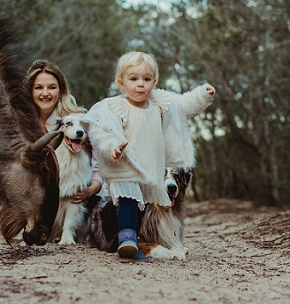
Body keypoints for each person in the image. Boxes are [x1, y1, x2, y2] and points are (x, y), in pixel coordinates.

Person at [81, 51, 216, 261]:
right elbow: (102, 132)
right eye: (133, 79)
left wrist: (203, 94)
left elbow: (185, 105)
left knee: (148, 204)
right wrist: (112, 148)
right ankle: (128, 238)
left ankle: (150, 237)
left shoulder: (161, 103)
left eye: (146, 79)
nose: (140, 85)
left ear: (155, 81)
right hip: (127, 166)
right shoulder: (114, 107)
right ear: (121, 82)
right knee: (128, 200)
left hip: (152, 167)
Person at [26, 59, 102, 203]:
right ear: (30, 91)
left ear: (60, 91)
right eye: (38, 87)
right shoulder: (23, 125)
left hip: (73, 203)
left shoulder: (80, 121)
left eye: (52, 87)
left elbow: (98, 168)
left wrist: (91, 190)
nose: (45, 93)